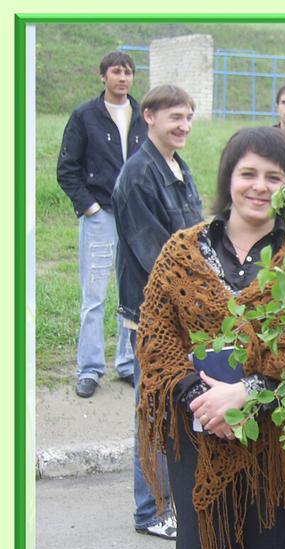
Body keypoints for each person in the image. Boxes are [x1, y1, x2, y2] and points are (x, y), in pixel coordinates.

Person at [135, 126, 285, 549]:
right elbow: (156, 339)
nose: (259, 187)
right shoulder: (181, 251)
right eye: (248, 173)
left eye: (273, 177)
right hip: (197, 435)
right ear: (228, 179)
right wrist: (203, 400)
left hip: (272, 442)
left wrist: (248, 393)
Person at [112, 84, 204, 541]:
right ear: (148, 116)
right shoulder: (137, 174)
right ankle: (150, 511)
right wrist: (192, 299)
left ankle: (169, 502)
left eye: (188, 117)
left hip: (181, 312)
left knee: (173, 408)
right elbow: (155, 255)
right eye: (175, 117)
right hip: (153, 314)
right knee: (153, 410)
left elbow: (195, 237)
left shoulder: (177, 166)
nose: (183, 125)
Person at [56, 51, 145, 398]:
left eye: (128, 72)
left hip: (133, 217)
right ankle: (90, 368)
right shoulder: (84, 116)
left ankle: (126, 363)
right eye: (115, 72)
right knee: (94, 294)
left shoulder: (142, 115)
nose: (122, 78)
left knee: (131, 293)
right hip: (101, 215)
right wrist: (90, 207)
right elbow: (67, 169)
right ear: (103, 76)